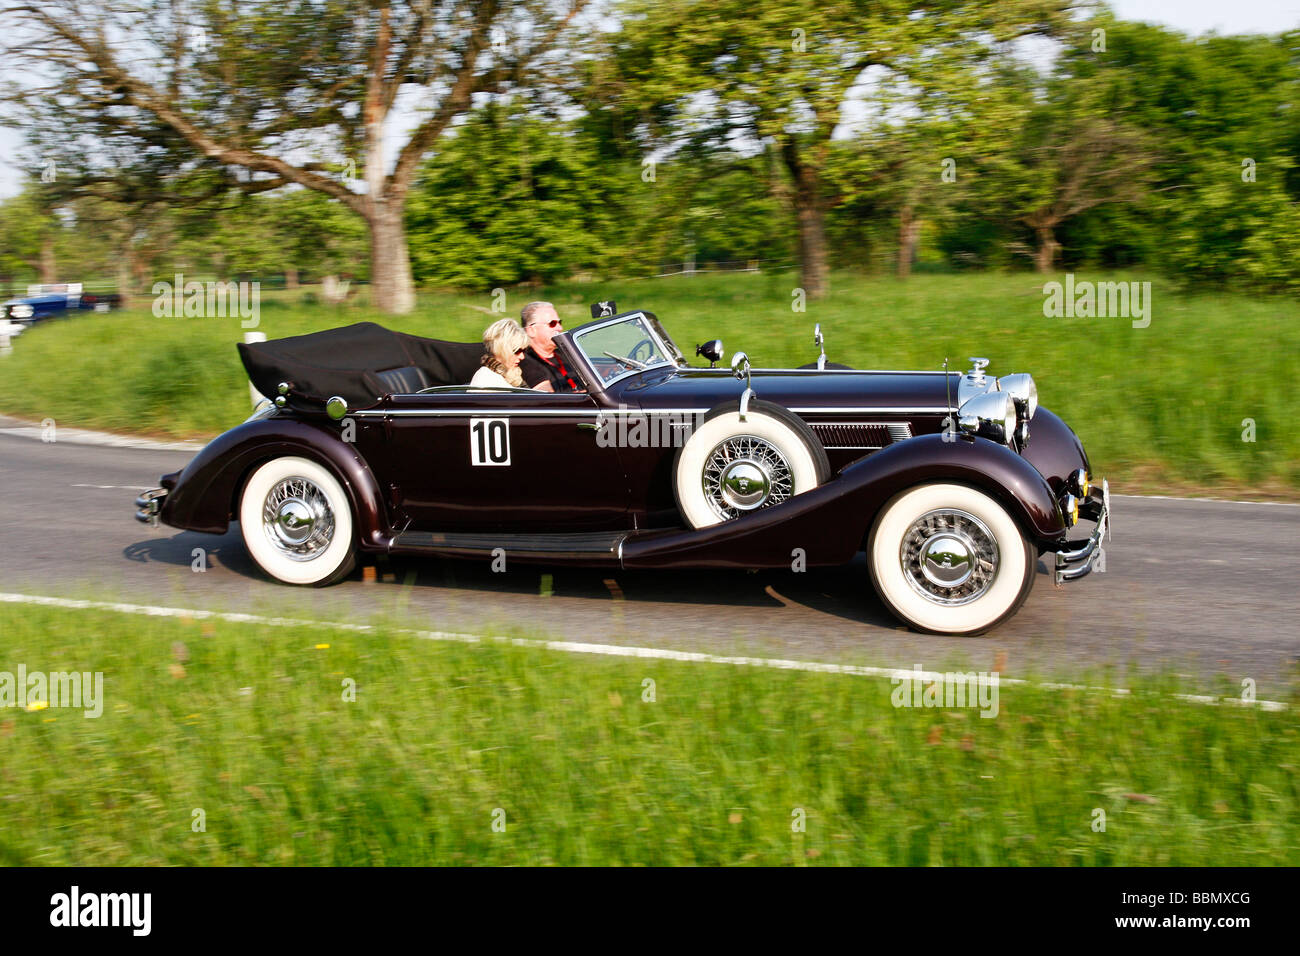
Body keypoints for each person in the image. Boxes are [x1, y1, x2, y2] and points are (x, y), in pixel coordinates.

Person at [519, 301, 582, 392]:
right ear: (531, 330)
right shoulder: (525, 361)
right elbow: (550, 400)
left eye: (559, 322)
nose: (560, 328)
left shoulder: (565, 353)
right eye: (552, 323)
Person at [470, 318, 530, 389]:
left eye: (523, 351)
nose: (522, 356)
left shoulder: (512, 377)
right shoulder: (486, 378)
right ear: (500, 350)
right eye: (517, 351)